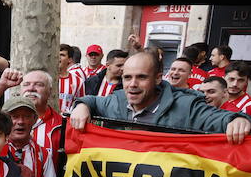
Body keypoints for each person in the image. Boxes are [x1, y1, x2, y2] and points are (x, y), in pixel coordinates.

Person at [70, 51, 251, 140]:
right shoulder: (116, 101)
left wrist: (238, 120)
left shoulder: (186, 106)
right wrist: (81, 106)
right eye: (127, 78)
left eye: (141, 77)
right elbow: (92, 100)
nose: (132, 84)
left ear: (158, 78)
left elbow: (218, 118)